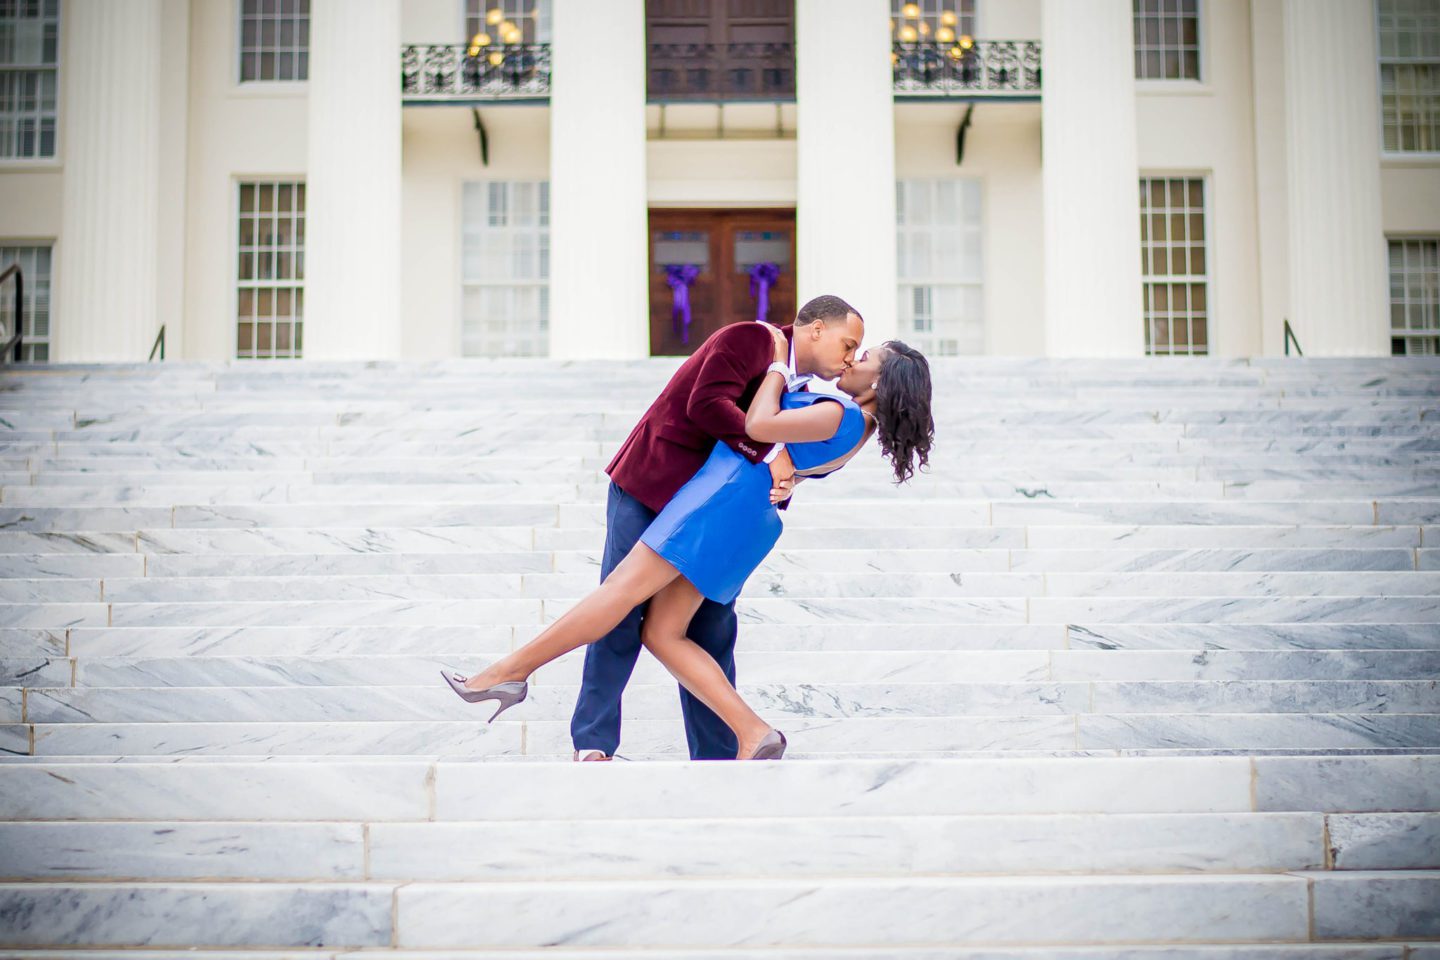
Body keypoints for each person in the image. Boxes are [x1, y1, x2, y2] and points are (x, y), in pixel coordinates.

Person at [441, 324, 936, 761]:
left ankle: (507, 673)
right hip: (742, 513)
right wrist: (782, 457)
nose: (854, 359)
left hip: (718, 503)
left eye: (864, 356)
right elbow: (789, 461)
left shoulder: (839, 414)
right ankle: (752, 731)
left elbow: (759, 425)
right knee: (662, 633)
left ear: (880, 382)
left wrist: (779, 373)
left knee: (617, 594)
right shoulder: (857, 427)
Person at [573, 295, 865, 762]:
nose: (850, 357)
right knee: (620, 614)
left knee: (711, 627)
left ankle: (719, 755)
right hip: (655, 485)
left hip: (714, 513)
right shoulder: (749, 338)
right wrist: (772, 454)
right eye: (847, 344)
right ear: (815, 330)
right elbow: (706, 403)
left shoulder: (815, 392)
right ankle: (593, 742)